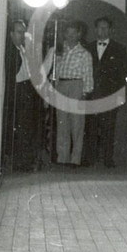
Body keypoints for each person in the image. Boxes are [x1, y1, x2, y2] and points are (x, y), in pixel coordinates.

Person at [43, 20, 93, 167]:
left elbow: (88, 75)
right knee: (62, 124)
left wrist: (85, 93)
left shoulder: (84, 54)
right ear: (64, 34)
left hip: (77, 86)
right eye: (68, 33)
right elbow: (54, 72)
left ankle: (75, 159)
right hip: (61, 86)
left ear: (79, 34)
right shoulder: (58, 50)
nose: (70, 36)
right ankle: (62, 158)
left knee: (77, 125)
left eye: (74, 33)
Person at [84, 17, 127, 168]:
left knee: (108, 128)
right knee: (90, 127)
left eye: (105, 28)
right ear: (95, 29)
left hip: (110, 95)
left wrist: (119, 96)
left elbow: (122, 74)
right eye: (99, 27)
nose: (102, 31)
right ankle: (89, 158)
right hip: (91, 94)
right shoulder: (87, 48)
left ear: (110, 30)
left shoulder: (120, 49)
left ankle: (108, 159)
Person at [2, 19, 42, 173]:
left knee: (26, 128)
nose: (22, 35)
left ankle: (24, 161)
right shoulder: (10, 52)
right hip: (17, 92)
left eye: (24, 32)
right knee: (19, 128)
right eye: (19, 32)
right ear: (11, 34)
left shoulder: (23, 49)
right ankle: (18, 163)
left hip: (26, 90)